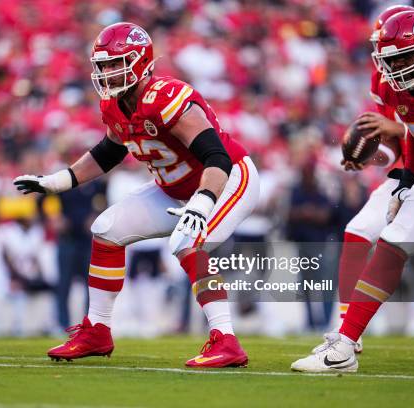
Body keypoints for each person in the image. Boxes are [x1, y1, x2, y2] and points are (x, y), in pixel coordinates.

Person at [15, 22, 260, 368]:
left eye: (116, 64)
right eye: (103, 65)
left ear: (140, 61)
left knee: (187, 241)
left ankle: (227, 340)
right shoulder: (115, 105)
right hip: (175, 190)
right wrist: (58, 182)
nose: (108, 72)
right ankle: (98, 330)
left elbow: (216, 155)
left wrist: (202, 202)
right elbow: (108, 152)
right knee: (106, 230)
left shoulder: (165, 95)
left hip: (226, 180)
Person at [292, 10, 414, 373]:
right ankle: (344, 346)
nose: (398, 67)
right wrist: (405, 181)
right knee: (392, 240)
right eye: (391, 60)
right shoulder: (392, 85)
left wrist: (395, 132)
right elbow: (413, 138)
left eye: (405, 57)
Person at [328, 4, 414, 354]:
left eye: (392, 47)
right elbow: (395, 145)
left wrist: (393, 128)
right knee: (357, 232)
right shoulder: (383, 80)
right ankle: (348, 329)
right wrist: (371, 158)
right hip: (405, 174)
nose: (385, 56)